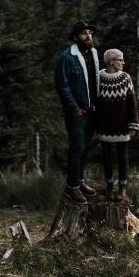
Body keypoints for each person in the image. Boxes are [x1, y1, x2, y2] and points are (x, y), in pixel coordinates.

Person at [55, 20, 99, 204]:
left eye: (90, 33)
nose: (88, 36)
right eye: (84, 33)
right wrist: (73, 108)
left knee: (86, 147)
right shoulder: (67, 57)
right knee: (77, 147)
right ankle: (71, 188)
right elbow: (62, 86)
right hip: (77, 113)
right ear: (75, 37)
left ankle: (80, 181)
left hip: (91, 111)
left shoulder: (94, 54)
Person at [95, 48, 139, 201]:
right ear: (111, 62)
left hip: (122, 127)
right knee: (106, 157)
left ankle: (122, 187)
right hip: (104, 126)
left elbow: (132, 103)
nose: (123, 62)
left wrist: (133, 124)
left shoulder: (125, 78)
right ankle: (109, 185)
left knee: (122, 157)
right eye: (120, 60)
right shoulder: (99, 77)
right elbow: (95, 103)